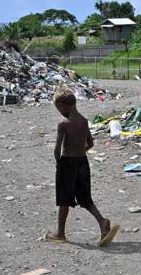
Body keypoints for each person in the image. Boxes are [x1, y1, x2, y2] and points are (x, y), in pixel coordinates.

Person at [45, 89, 119, 246]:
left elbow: (57, 149)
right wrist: (80, 152)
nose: (60, 112)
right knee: (85, 198)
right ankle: (102, 221)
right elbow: (90, 143)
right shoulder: (84, 121)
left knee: (64, 199)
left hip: (67, 163)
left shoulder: (63, 124)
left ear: (62, 105)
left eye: (58, 109)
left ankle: (60, 233)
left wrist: (59, 162)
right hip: (82, 162)